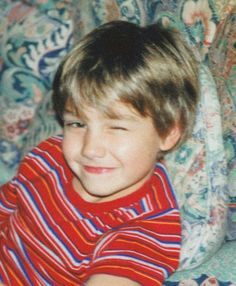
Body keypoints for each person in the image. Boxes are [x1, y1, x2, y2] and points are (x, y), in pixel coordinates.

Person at [0, 20, 199, 285]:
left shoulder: (145, 229)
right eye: (77, 124)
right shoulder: (48, 156)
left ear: (168, 133)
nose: (90, 149)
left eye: (116, 127)